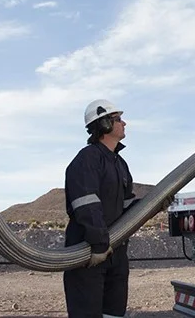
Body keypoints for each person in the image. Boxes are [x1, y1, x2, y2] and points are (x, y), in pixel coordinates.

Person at [62, 99, 138, 318]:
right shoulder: (87, 159)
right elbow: (86, 204)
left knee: (114, 313)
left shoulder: (120, 164)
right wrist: (98, 245)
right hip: (88, 254)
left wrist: (155, 202)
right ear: (104, 124)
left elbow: (127, 207)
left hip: (116, 253)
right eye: (118, 119)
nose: (124, 123)